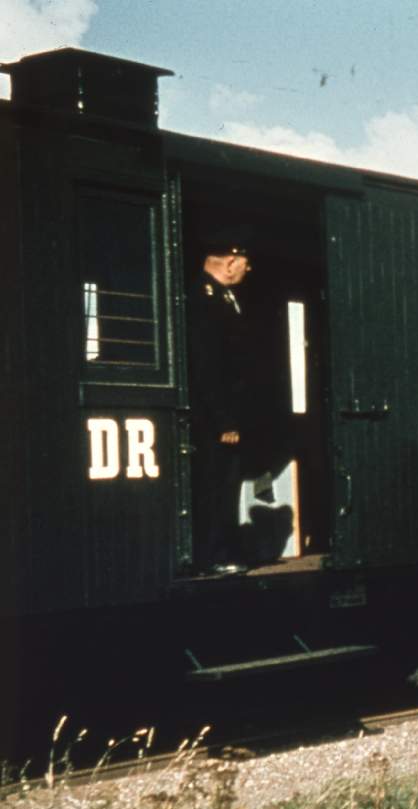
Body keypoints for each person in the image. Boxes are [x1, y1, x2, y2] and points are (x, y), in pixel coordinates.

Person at [187, 229, 255, 575]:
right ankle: (211, 555)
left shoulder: (224, 296)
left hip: (225, 414)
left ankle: (222, 549)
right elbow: (207, 363)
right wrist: (224, 419)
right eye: (246, 263)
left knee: (226, 485)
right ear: (230, 261)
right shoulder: (204, 296)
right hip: (214, 418)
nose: (248, 270)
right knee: (214, 485)